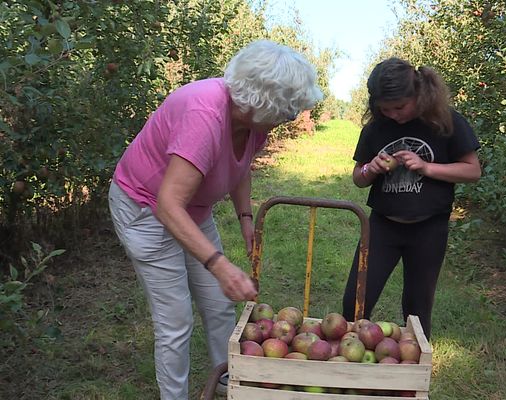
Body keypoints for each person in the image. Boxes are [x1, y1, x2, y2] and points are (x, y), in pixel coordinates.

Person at [108, 40, 322, 399]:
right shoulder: (204, 114)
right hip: (146, 208)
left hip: (190, 209)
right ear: (262, 102)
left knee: (220, 304)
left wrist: (245, 217)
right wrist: (220, 266)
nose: (290, 119)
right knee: (176, 321)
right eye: (287, 111)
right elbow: (168, 205)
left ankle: (227, 380)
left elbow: (240, 165)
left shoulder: (254, 122)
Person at [342, 58, 481, 339]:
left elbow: (472, 170)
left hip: (429, 228)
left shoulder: (446, 122)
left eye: (400, 107)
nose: (393, 115)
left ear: (419, 94)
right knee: (356, 301)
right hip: (383, 226)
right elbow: (359, 177)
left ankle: (412, 374)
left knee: (417, 309)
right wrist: (372, 168)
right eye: (385, 109)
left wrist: (426, 167)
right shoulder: (376, 129)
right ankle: (346, 364)